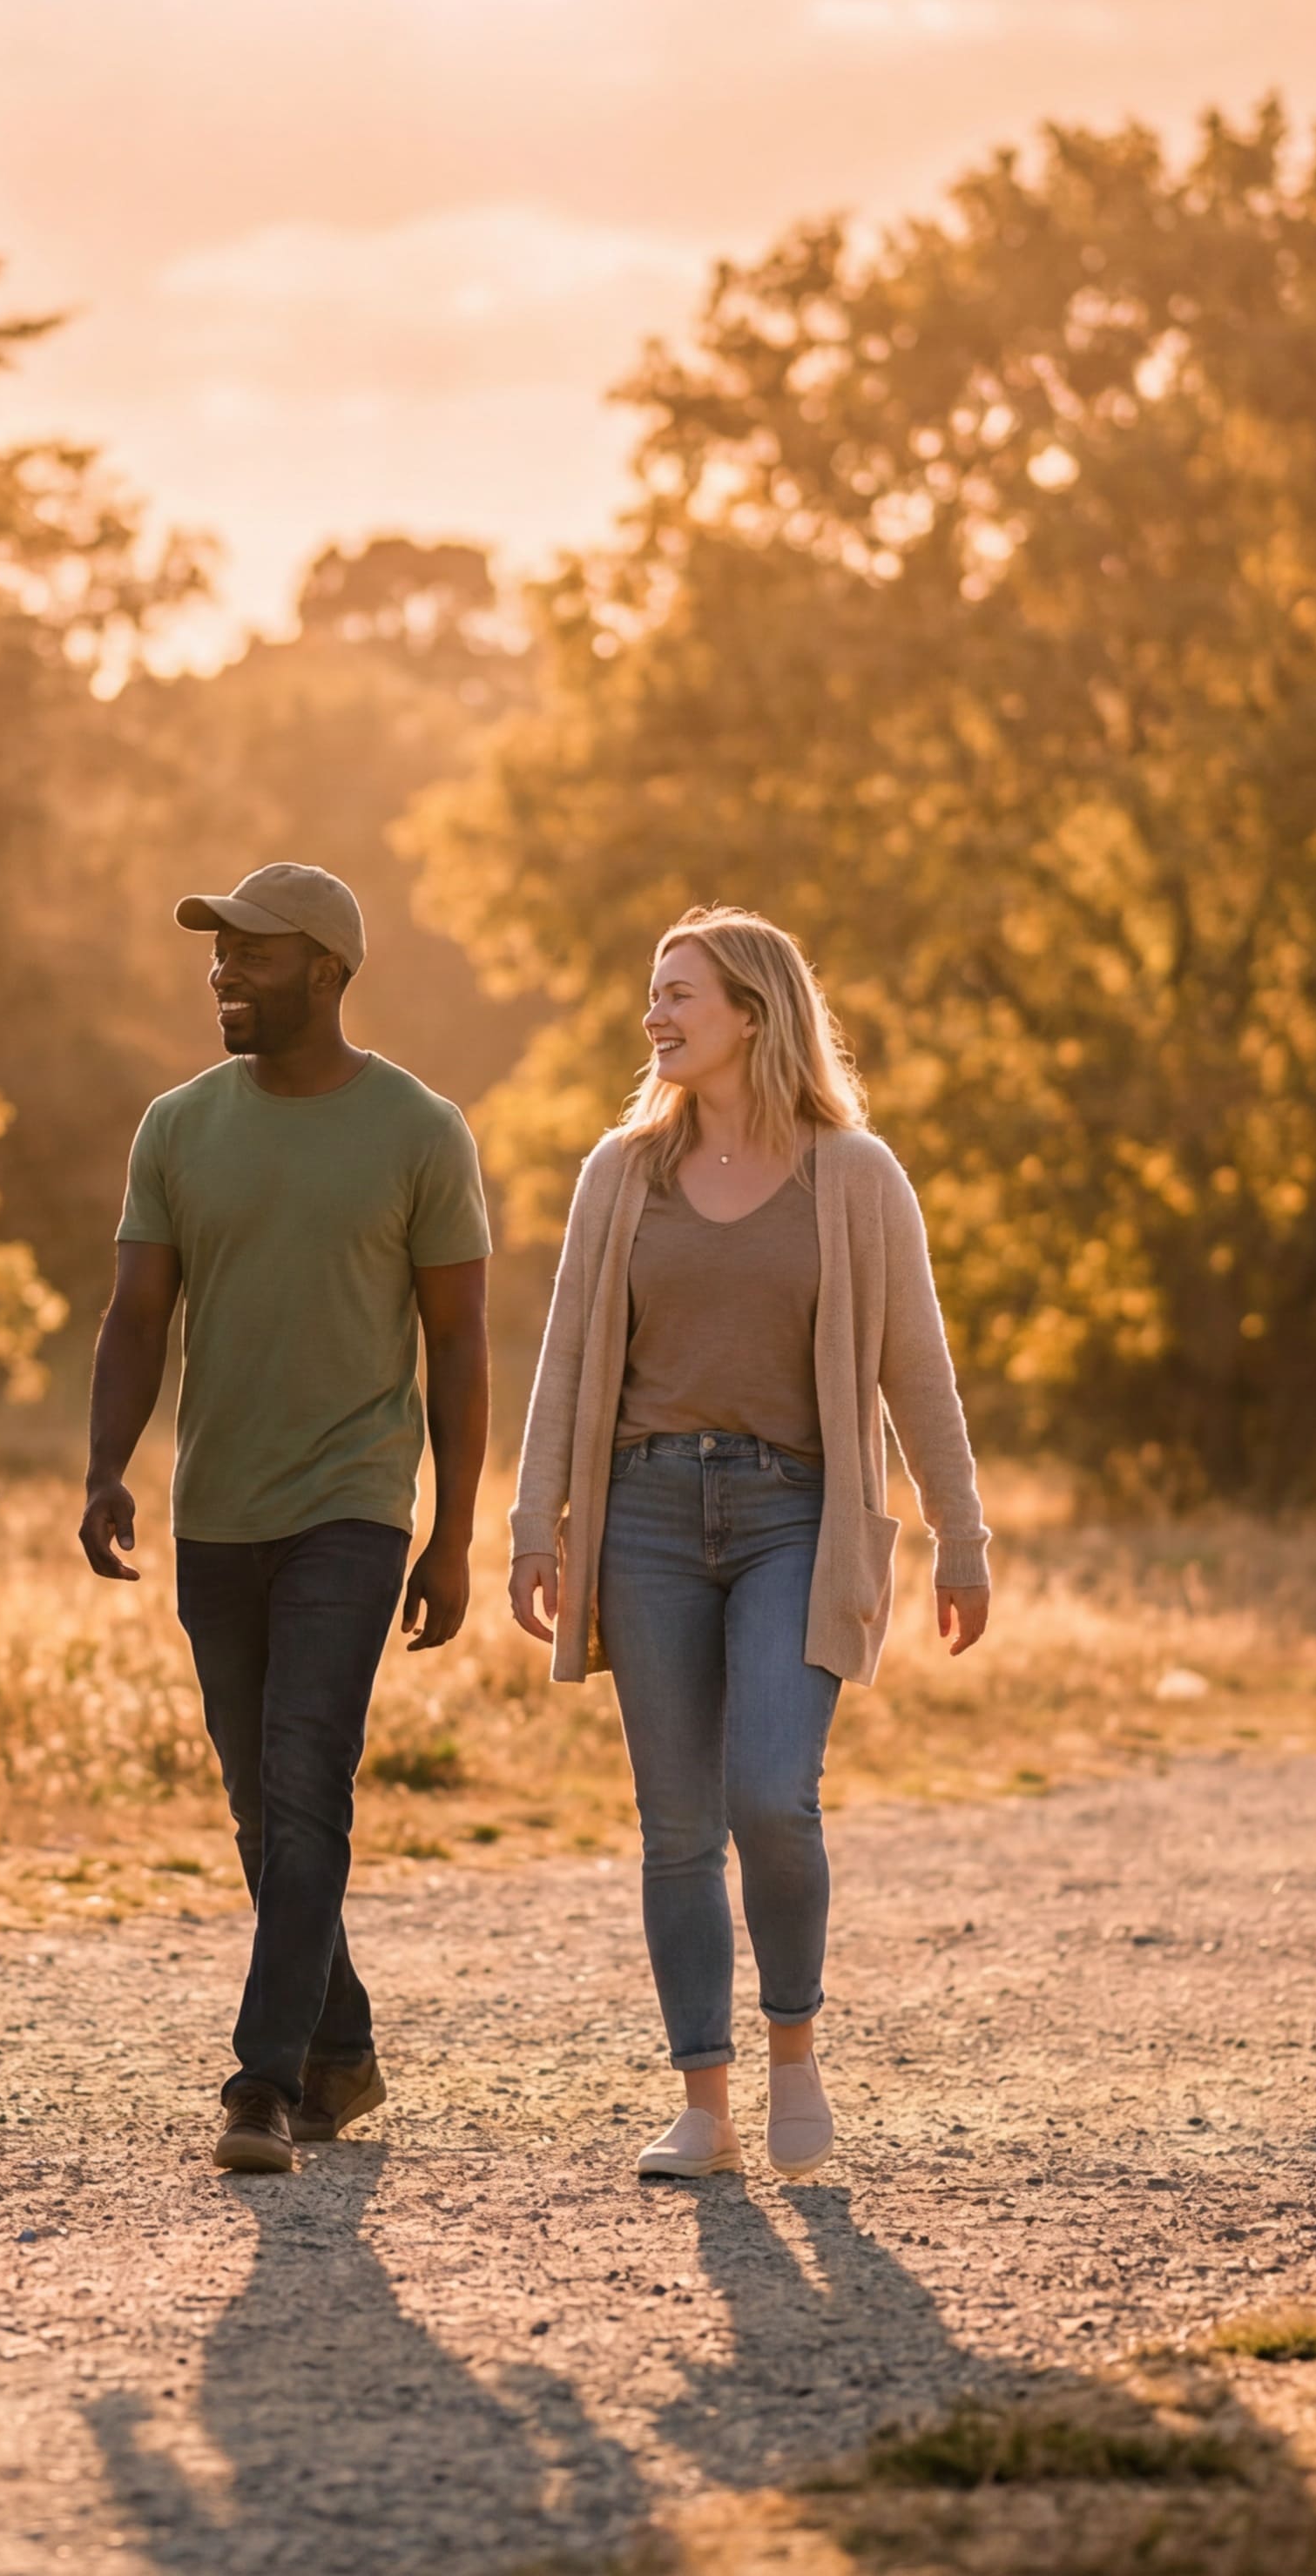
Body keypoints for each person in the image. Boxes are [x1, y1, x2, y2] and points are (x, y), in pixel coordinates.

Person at [504, 907, 991, 2178]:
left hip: (795, 1518)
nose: (657, 1017)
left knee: (771, 1795)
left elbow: (916, 1372)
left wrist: (962, 1533)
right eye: (653, 997)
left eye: (682, 996)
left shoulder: (856, 1175)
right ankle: (703, 2107)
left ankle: (793, 2051)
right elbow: (564, 1360)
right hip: (647, 1518)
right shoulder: (623, 1172)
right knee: (676, 1826)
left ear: (755, 1017)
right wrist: (534, 1522)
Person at [81, 861, 495, 2175]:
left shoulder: (421, 1131)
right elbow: (137, 1316)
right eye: (218, 955)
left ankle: (260, 2088)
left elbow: (461, 1340)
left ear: (327, 969)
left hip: (353, 1507)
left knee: (308, 1781)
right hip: (220, 1513)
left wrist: (456, 1534)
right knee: (264, 1807)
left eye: (251, 956)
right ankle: (344, 2046)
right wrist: (104, 1470)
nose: (224, 975)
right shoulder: (179, 1125)